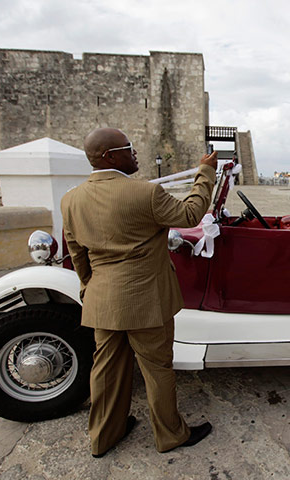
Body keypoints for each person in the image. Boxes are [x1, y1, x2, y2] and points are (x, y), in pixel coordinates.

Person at [60, 128, 217, 458]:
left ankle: (103, 436)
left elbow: (77, 253)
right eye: (129, 150)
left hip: (103, 299)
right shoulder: (145, 193)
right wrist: (206, 173)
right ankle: (170, 434)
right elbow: (190, 214)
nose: (135, 155)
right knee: (157, 369)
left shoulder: (71, 199)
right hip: (146, 301)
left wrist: (91, 286)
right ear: (110, 157)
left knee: (106, 370)